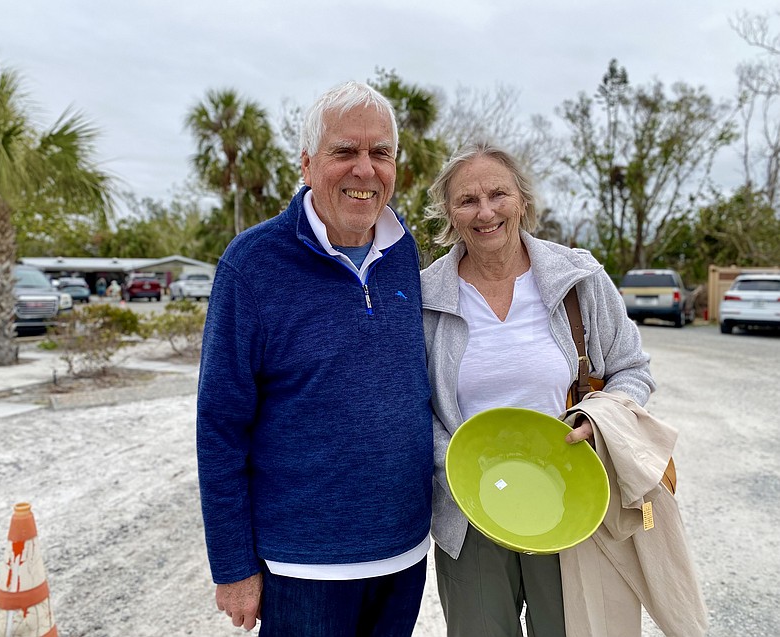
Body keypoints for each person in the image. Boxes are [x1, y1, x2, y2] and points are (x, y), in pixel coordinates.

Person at [196, 81, 433, 636]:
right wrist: (233, 567)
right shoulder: (251, 264)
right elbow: (220, 426)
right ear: (306, 164)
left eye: (381, 153)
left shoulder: (404, 253)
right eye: (344, 152)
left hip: (403, 554)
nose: (365, 170)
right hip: (303, 566)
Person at [420, 142, 656, 636]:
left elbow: (633, 369)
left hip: (567, 503)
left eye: (497, 194)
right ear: (449, 213)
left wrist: (598, 421)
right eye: (467, 200)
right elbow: (410, 407)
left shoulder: (579, 280)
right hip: (470, 511)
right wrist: (453, 463)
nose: (485, 212)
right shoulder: (425, 297)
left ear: (522, 200)